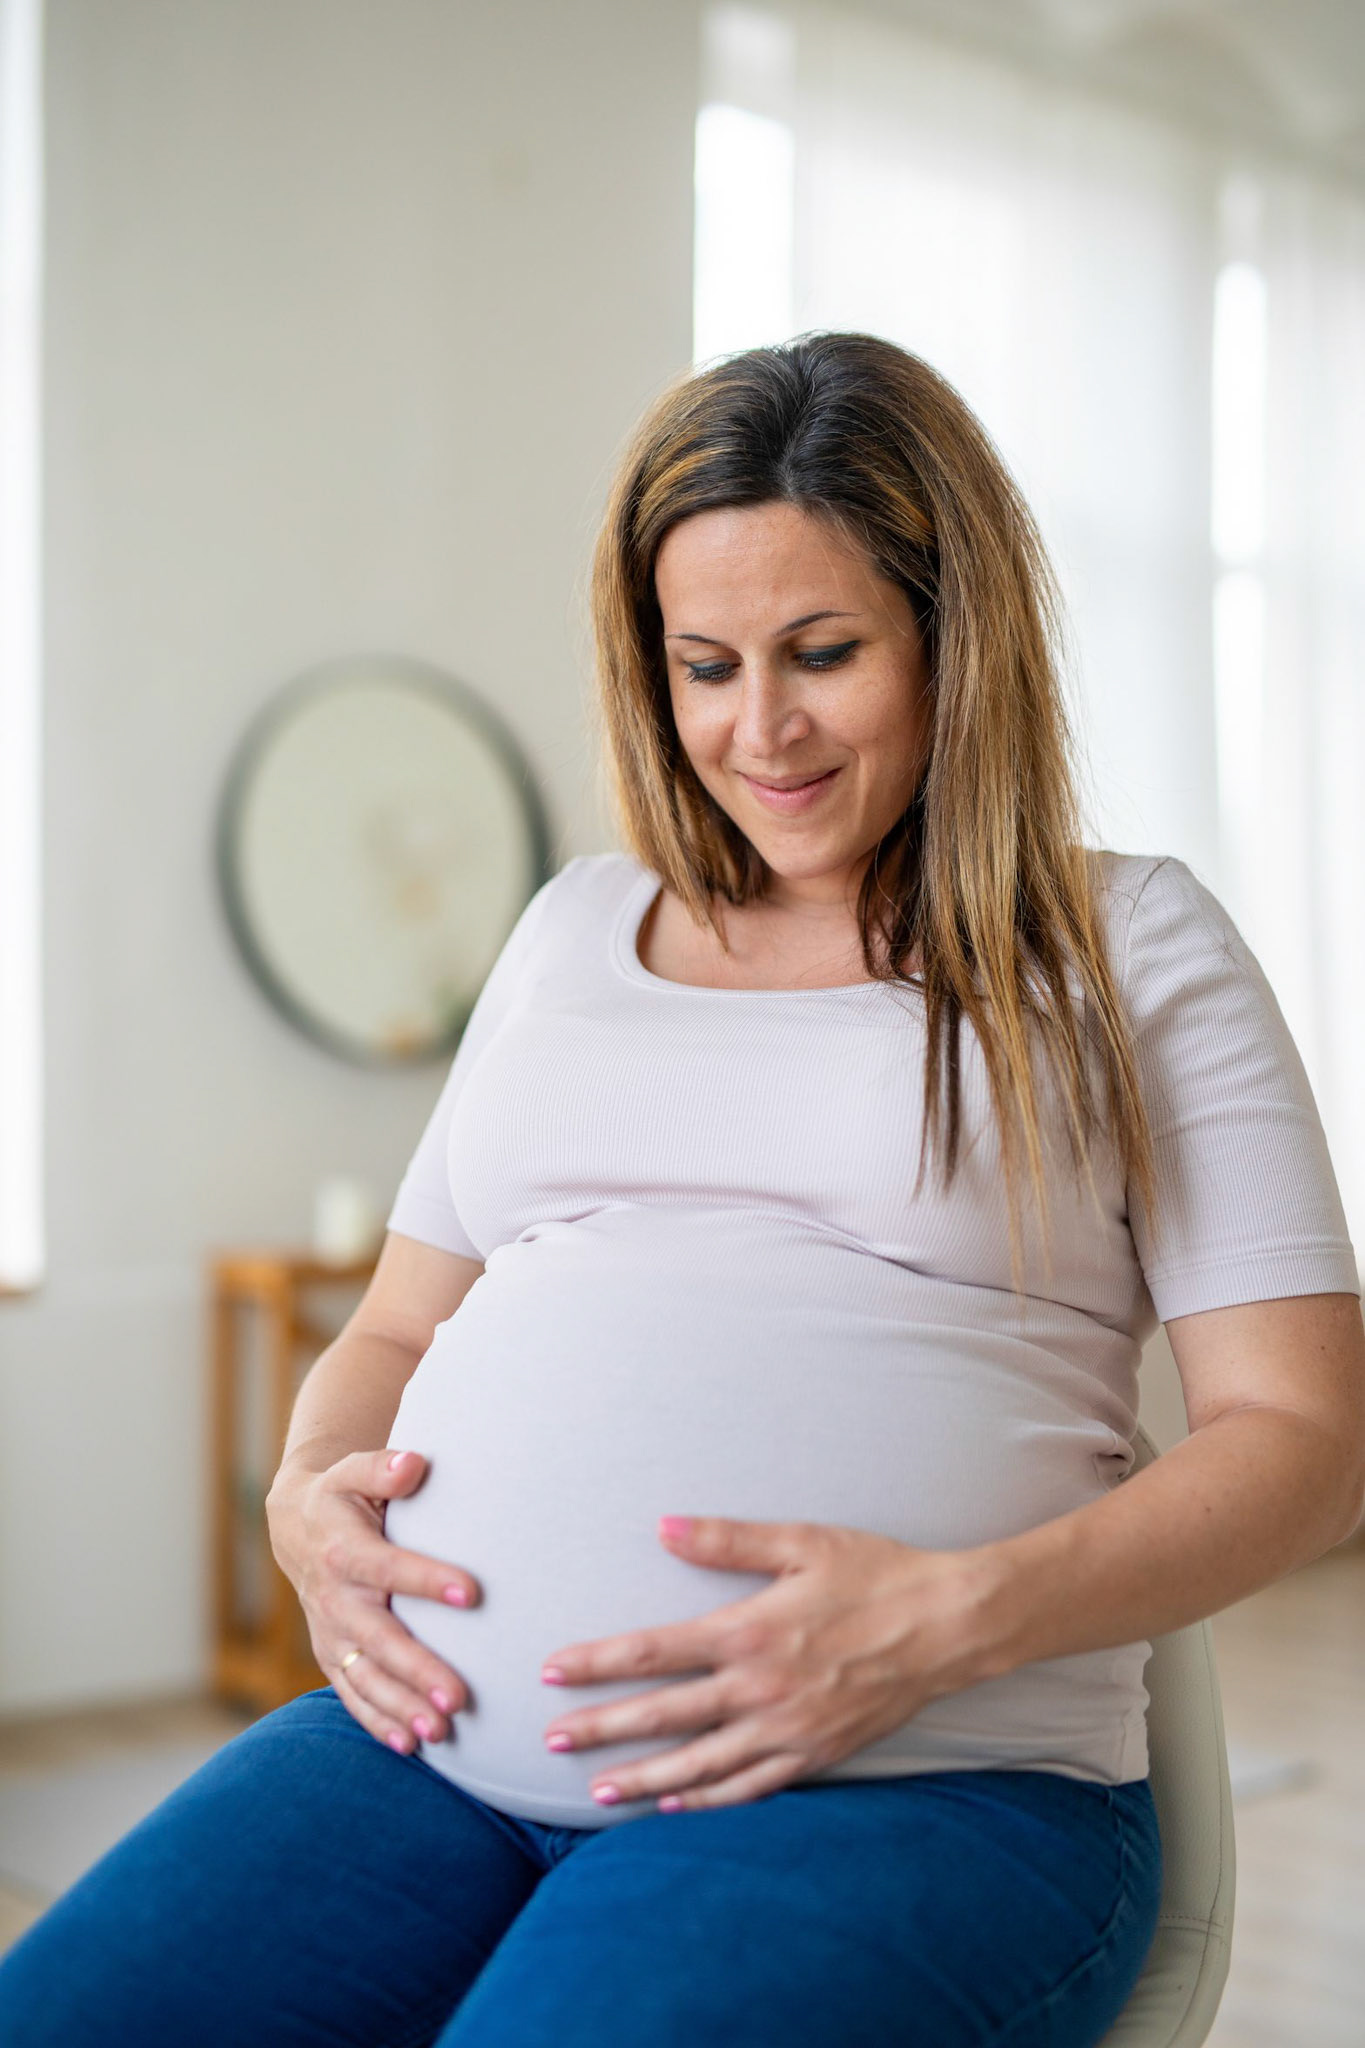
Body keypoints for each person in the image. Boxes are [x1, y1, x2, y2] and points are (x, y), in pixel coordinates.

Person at [2, 330, 1362, 2048]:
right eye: (703, 665)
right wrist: (304, 1499)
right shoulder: (573, 927)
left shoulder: (1125, 946)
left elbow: (1306, 1442)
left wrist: (945, 1617)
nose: (755, 728)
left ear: (956, 641)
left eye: (822, 654)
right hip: (423, 1752)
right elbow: (398, 1330)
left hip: (906, 1782)